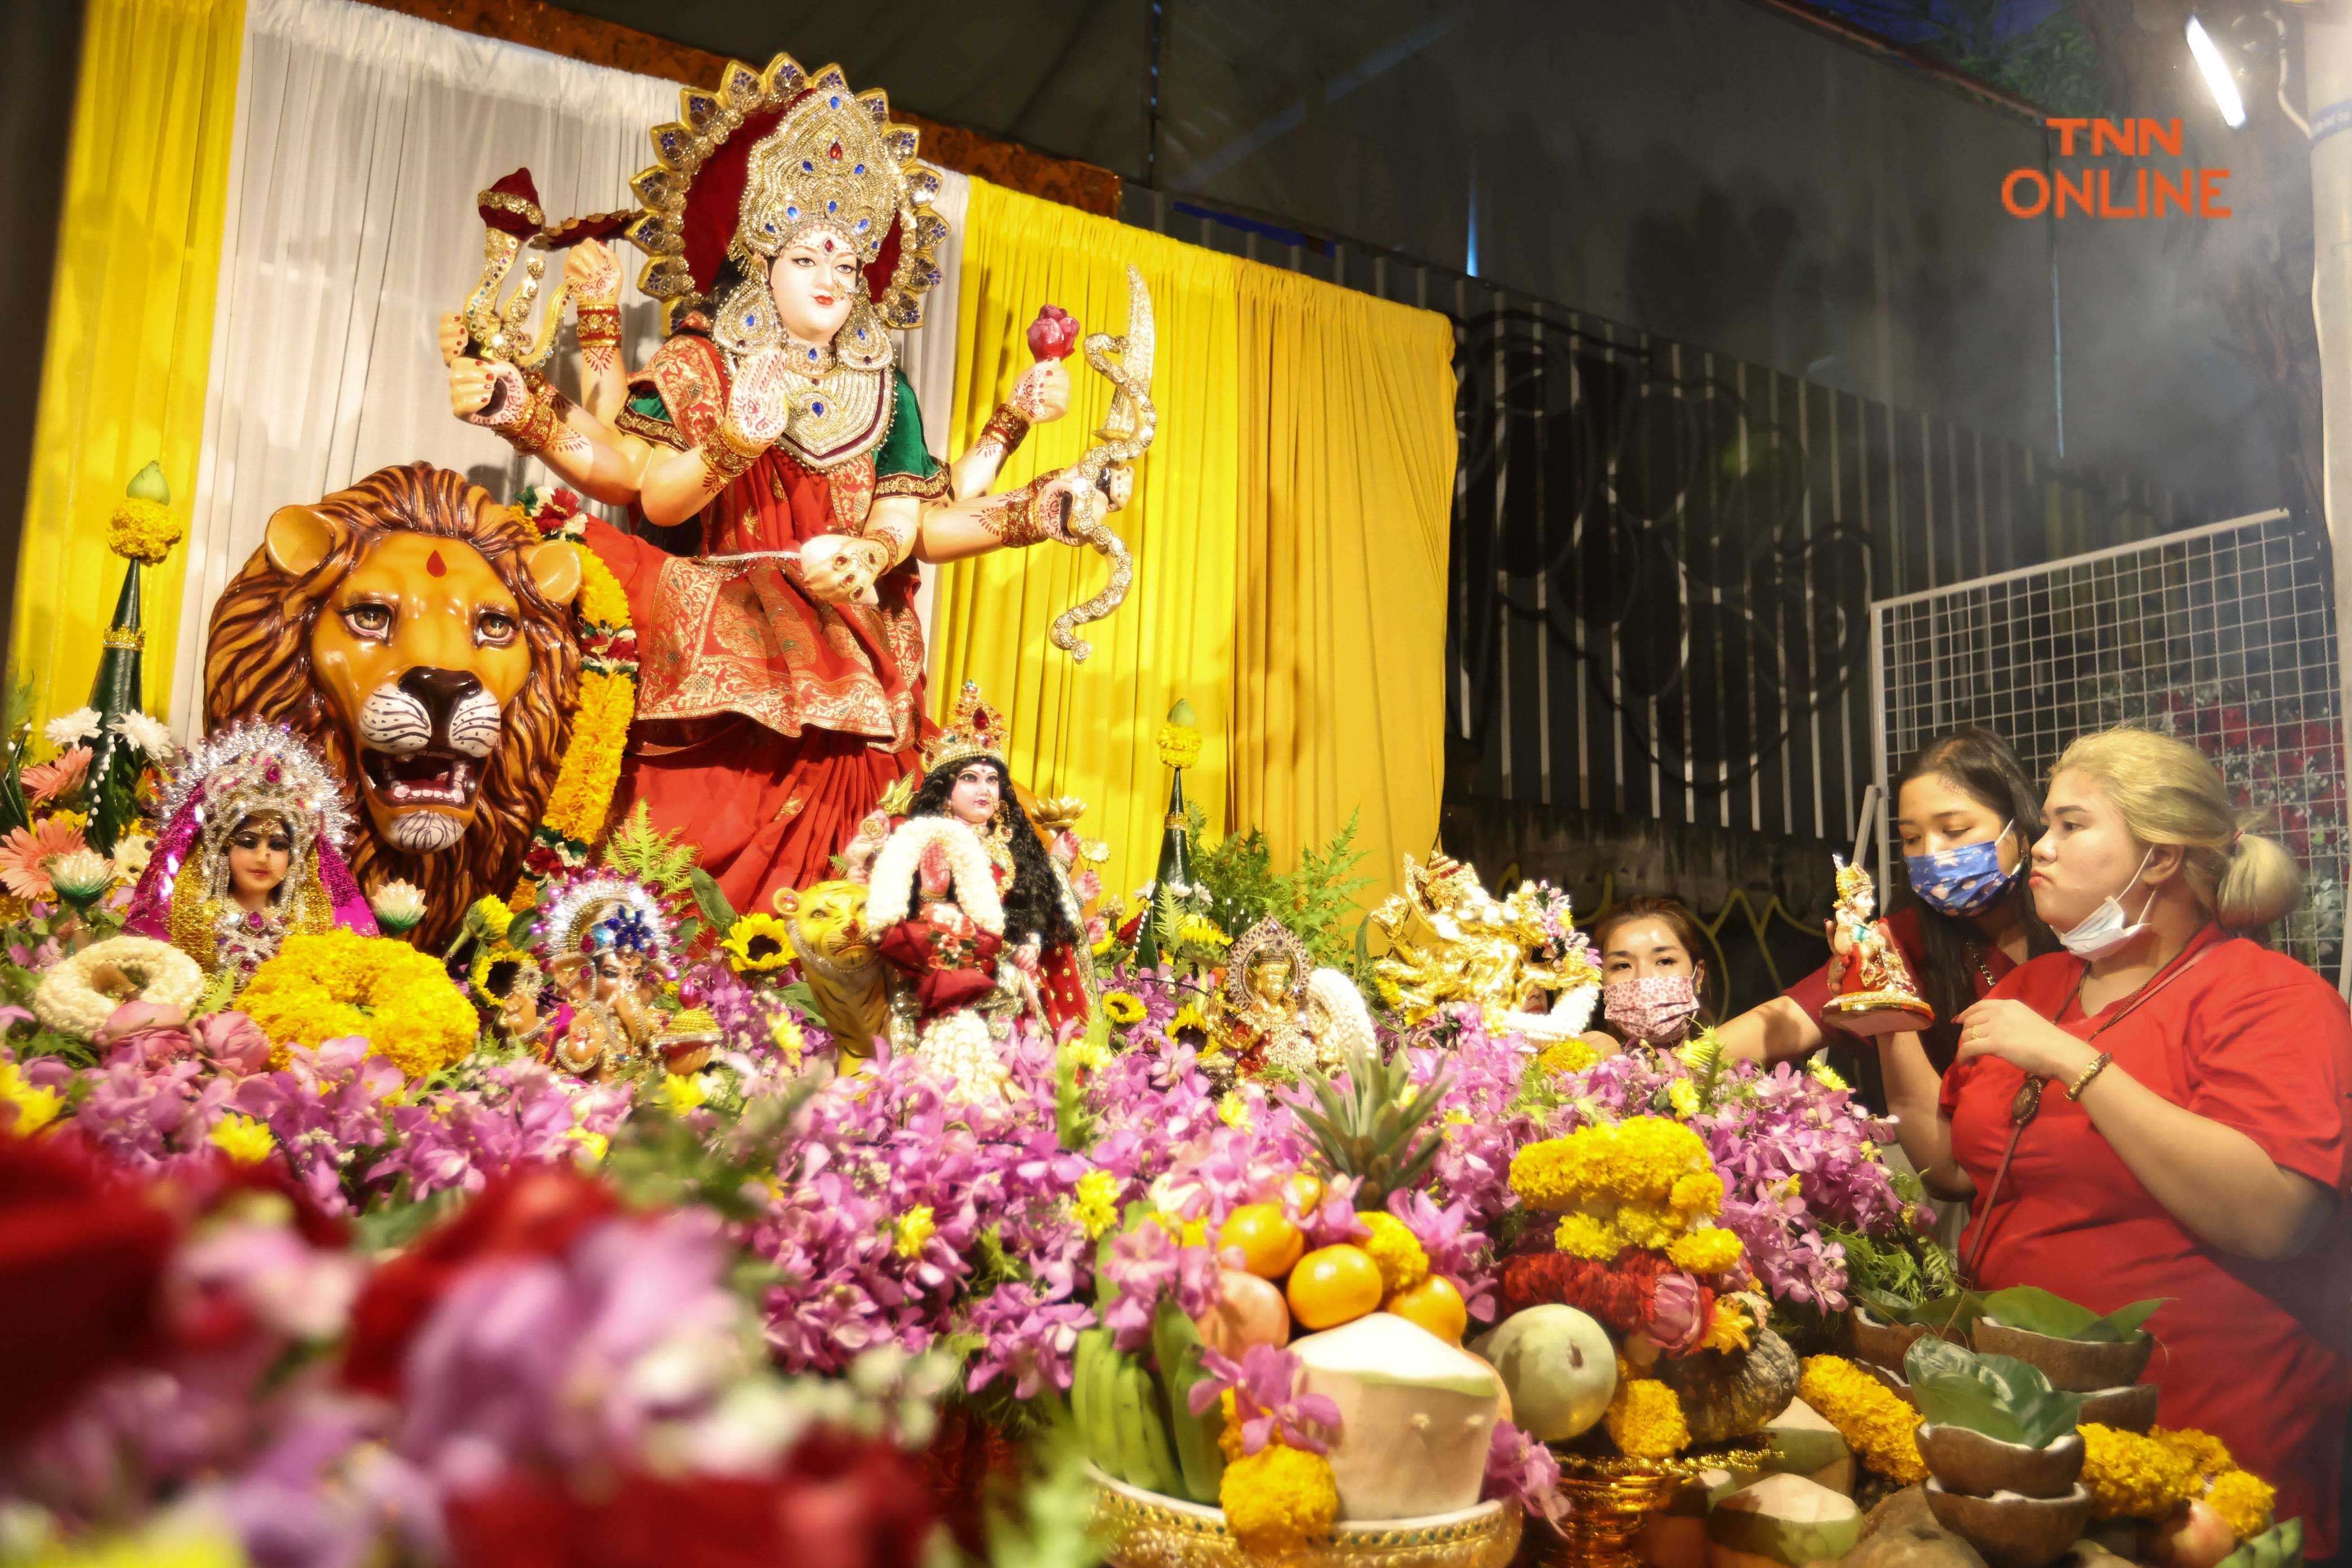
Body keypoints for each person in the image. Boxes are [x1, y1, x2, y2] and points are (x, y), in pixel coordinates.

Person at [443, 65, 1097, 918]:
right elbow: (648, 492)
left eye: (848, 257)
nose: (831, 272)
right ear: (759, 260)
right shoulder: (702, 363)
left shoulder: (885, 388)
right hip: (724, 634)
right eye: (806, 254)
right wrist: (519, 408)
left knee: (865, 887)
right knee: (675, 865)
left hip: (854, 651)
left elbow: (915, 522)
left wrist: (1035, 510)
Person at [1892, 726, 2350, 1554]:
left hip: (2202, 1449)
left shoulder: (2269, 997)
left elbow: (2274, 1219)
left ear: (2163, 857)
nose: (2040, 849)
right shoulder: (2038, 988)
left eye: (2073, 825)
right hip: (2029, 1438)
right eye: (2047, 827)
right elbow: (1960, 1166)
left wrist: (2075, 1062)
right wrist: (1891, 1032)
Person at [1713, 728, 2058, 1082]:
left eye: (1954, 830)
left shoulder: (2078, 926)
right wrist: (1666, 1073)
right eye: (1911, 838)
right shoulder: (1896, 944)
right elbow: (1784, 1021)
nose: (1931, 854)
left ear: (2021, 835)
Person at [124, 723, 379, 992]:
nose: (263, 857)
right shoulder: (186, 916)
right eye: (248, 843)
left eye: (279, 846)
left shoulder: (312, 923)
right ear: (221, 849)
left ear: (296, 858)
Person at [1578, 896, 1709, 1054]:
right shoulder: (1576, 1068)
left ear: (1699, 975)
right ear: (1600, 980)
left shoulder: (1727, 1061)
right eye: (1623, 965)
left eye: (1665, 961)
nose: (1643, 979)